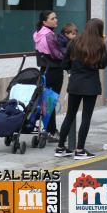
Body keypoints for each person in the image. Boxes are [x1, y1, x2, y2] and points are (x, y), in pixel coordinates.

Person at [54, 18, 107, 160]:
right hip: (90, 85)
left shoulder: (74, 42)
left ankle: (60, 148)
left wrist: (76, 68)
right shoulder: (99, 45)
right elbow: (103, 65)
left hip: (75, 84)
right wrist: (103, 46)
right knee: (86, 117)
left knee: (69, 115)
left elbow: (64, 64)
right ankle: (80, 150)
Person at [33, 11, 64, 142]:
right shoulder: (50, 36)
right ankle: (51, 131)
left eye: (56, 17)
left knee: (46, 102)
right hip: (54, 71)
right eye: (53, 18)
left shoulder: (37, 34)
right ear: (45, 22)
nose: (56, 20)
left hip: (44, 70)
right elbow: (58, 55)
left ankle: (49, 129)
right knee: (51, 102)